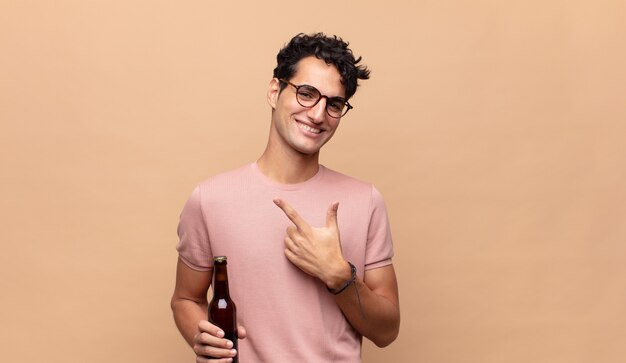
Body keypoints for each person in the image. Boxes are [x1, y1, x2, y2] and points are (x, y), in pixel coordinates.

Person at [171, 32, 400, 362]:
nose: (318, 114)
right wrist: (202, 335)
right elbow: (185, 298)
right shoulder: (210, 200)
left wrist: (340, 277)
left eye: (333, 104)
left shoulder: (365, 201)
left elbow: (387, 331)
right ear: (275, 91)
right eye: (307, 94)